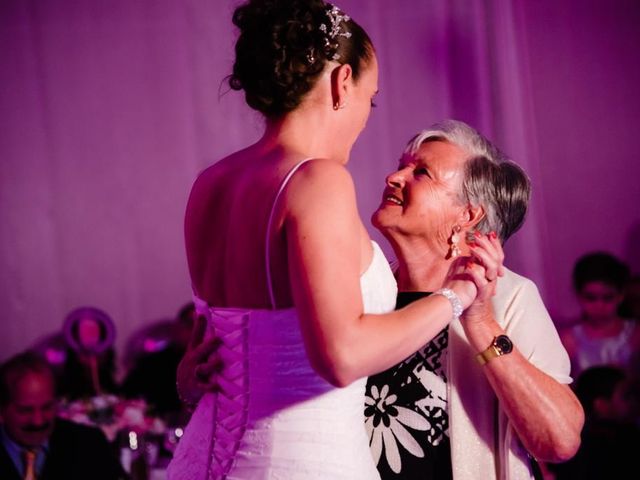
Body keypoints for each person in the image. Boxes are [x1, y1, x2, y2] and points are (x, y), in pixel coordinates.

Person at [167, 2, 499, 479]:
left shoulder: (210, 183)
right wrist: (459, 294)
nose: (366, 115)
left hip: (200, 461)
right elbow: (342, 357)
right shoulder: (316, 180)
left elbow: (218, 349)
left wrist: (187, 386)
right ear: (343, 82)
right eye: (372, 97)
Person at [364, 120, 584, 479]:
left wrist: (480, 321)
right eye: (402, 164)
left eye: (421, 172)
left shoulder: (510, 297)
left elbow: (558, 441)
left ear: (467, 215)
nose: (395, 176)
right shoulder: (369, 290)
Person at [0, 351, 127, 480]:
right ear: (2, 410)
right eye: (26, 410)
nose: (38, 421)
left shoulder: (88, 443)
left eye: (47, 407)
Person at [549, 365, 640, 479]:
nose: (634, 401)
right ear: (601, 405)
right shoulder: (584, 448)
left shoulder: (630, 433)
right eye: (626, 396)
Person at [559, 251, 640, 378]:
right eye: (591, 298)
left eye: (607, 298)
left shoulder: (635, 333)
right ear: (579, 295)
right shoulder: (569, 340)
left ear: (621, 295)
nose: (599, 306)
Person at [121, 302, 196, 418]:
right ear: (178, 328)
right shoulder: (154, 364)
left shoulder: (218, 364)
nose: (196, 331)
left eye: (203, 325)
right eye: (190, 325)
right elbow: (126, 396)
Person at [57, 306, 120, 401]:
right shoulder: (64, 387)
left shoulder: (111, 385)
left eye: (93, 332)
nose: (90, 337)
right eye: (85, 332)